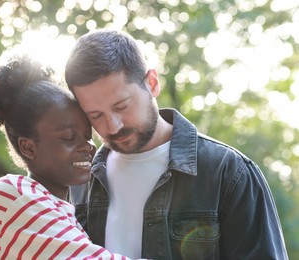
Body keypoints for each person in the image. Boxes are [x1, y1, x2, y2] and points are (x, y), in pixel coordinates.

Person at [64, 29, 288, 259]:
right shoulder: (78, 179)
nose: (112, 126)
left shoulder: (229, 172)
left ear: (152, 83)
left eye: (121, 106)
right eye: (95, 115)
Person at [0, 45, 137, 259]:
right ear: (28, 147)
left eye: (86, 134)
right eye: (67, 137)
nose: (88, 146)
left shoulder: (57, 208)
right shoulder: (17, 196)